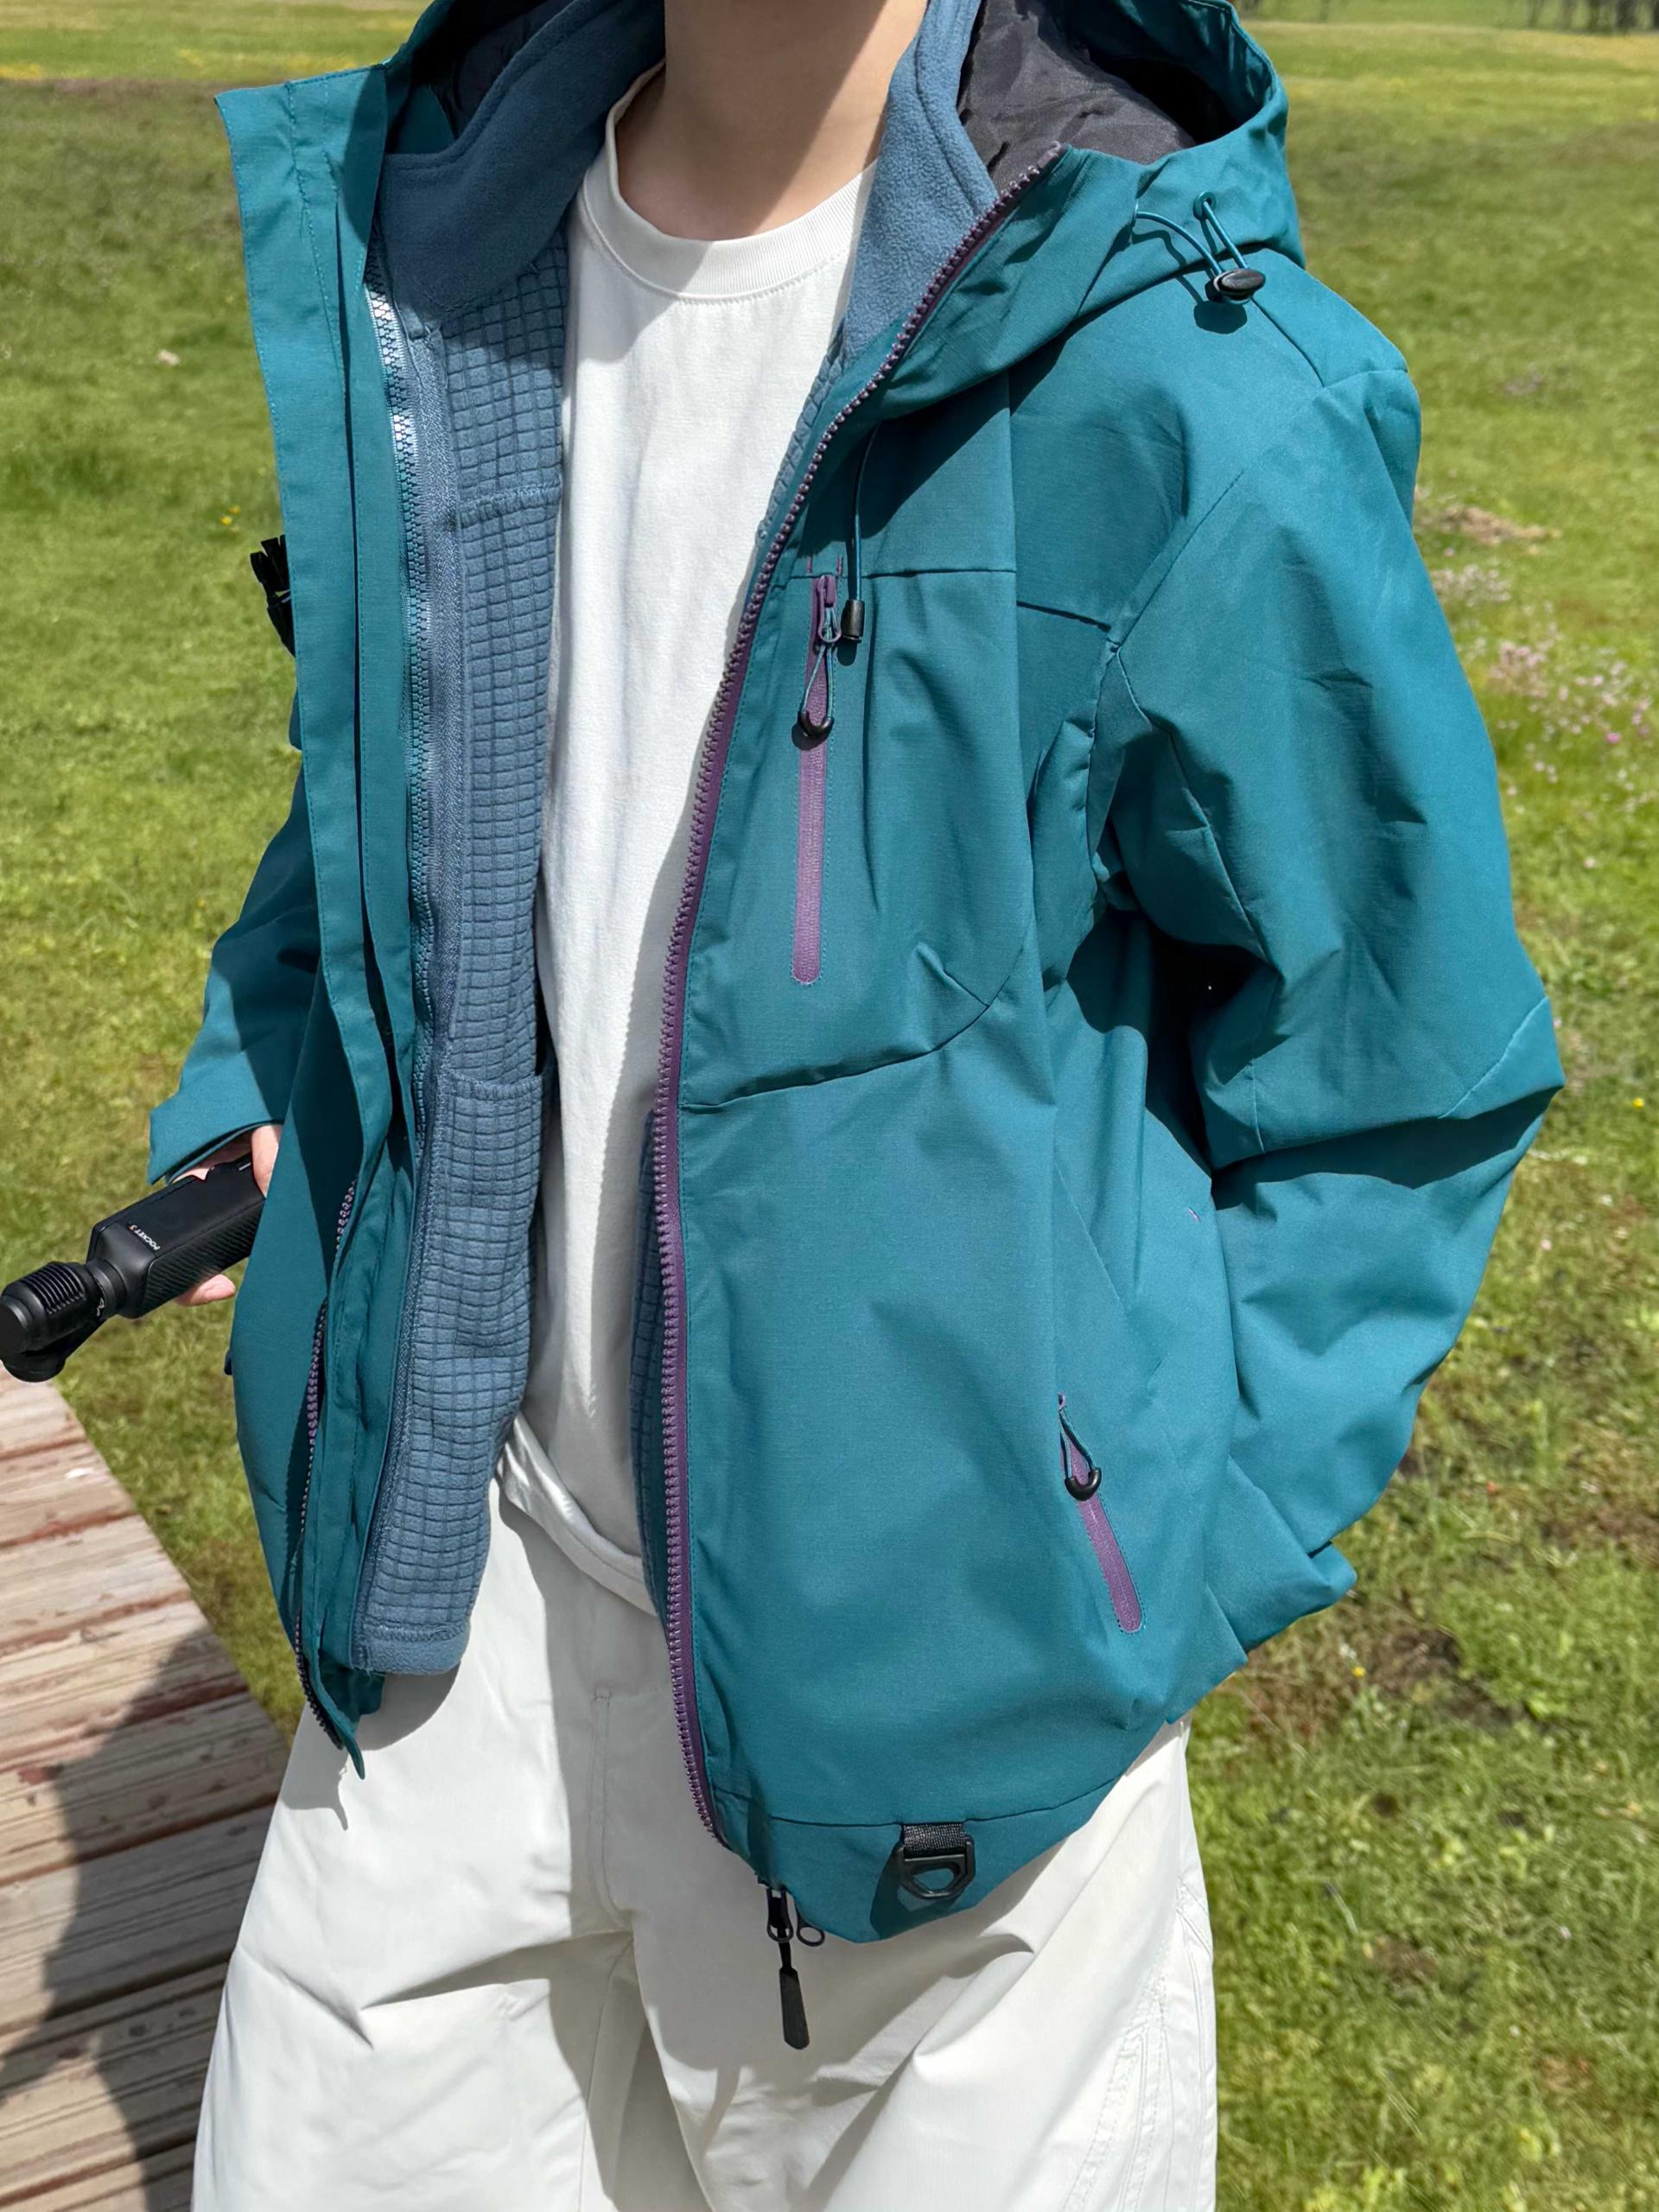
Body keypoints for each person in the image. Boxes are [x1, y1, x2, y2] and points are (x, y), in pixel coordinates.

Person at [160, 0, 1561, 2203]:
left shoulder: (1185, 372)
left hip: (951, 1742)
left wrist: (1119, 1558)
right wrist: (254, 1091)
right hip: (451, 1634)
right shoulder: (446, 252)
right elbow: (389, 780)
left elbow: (1398, 1069)